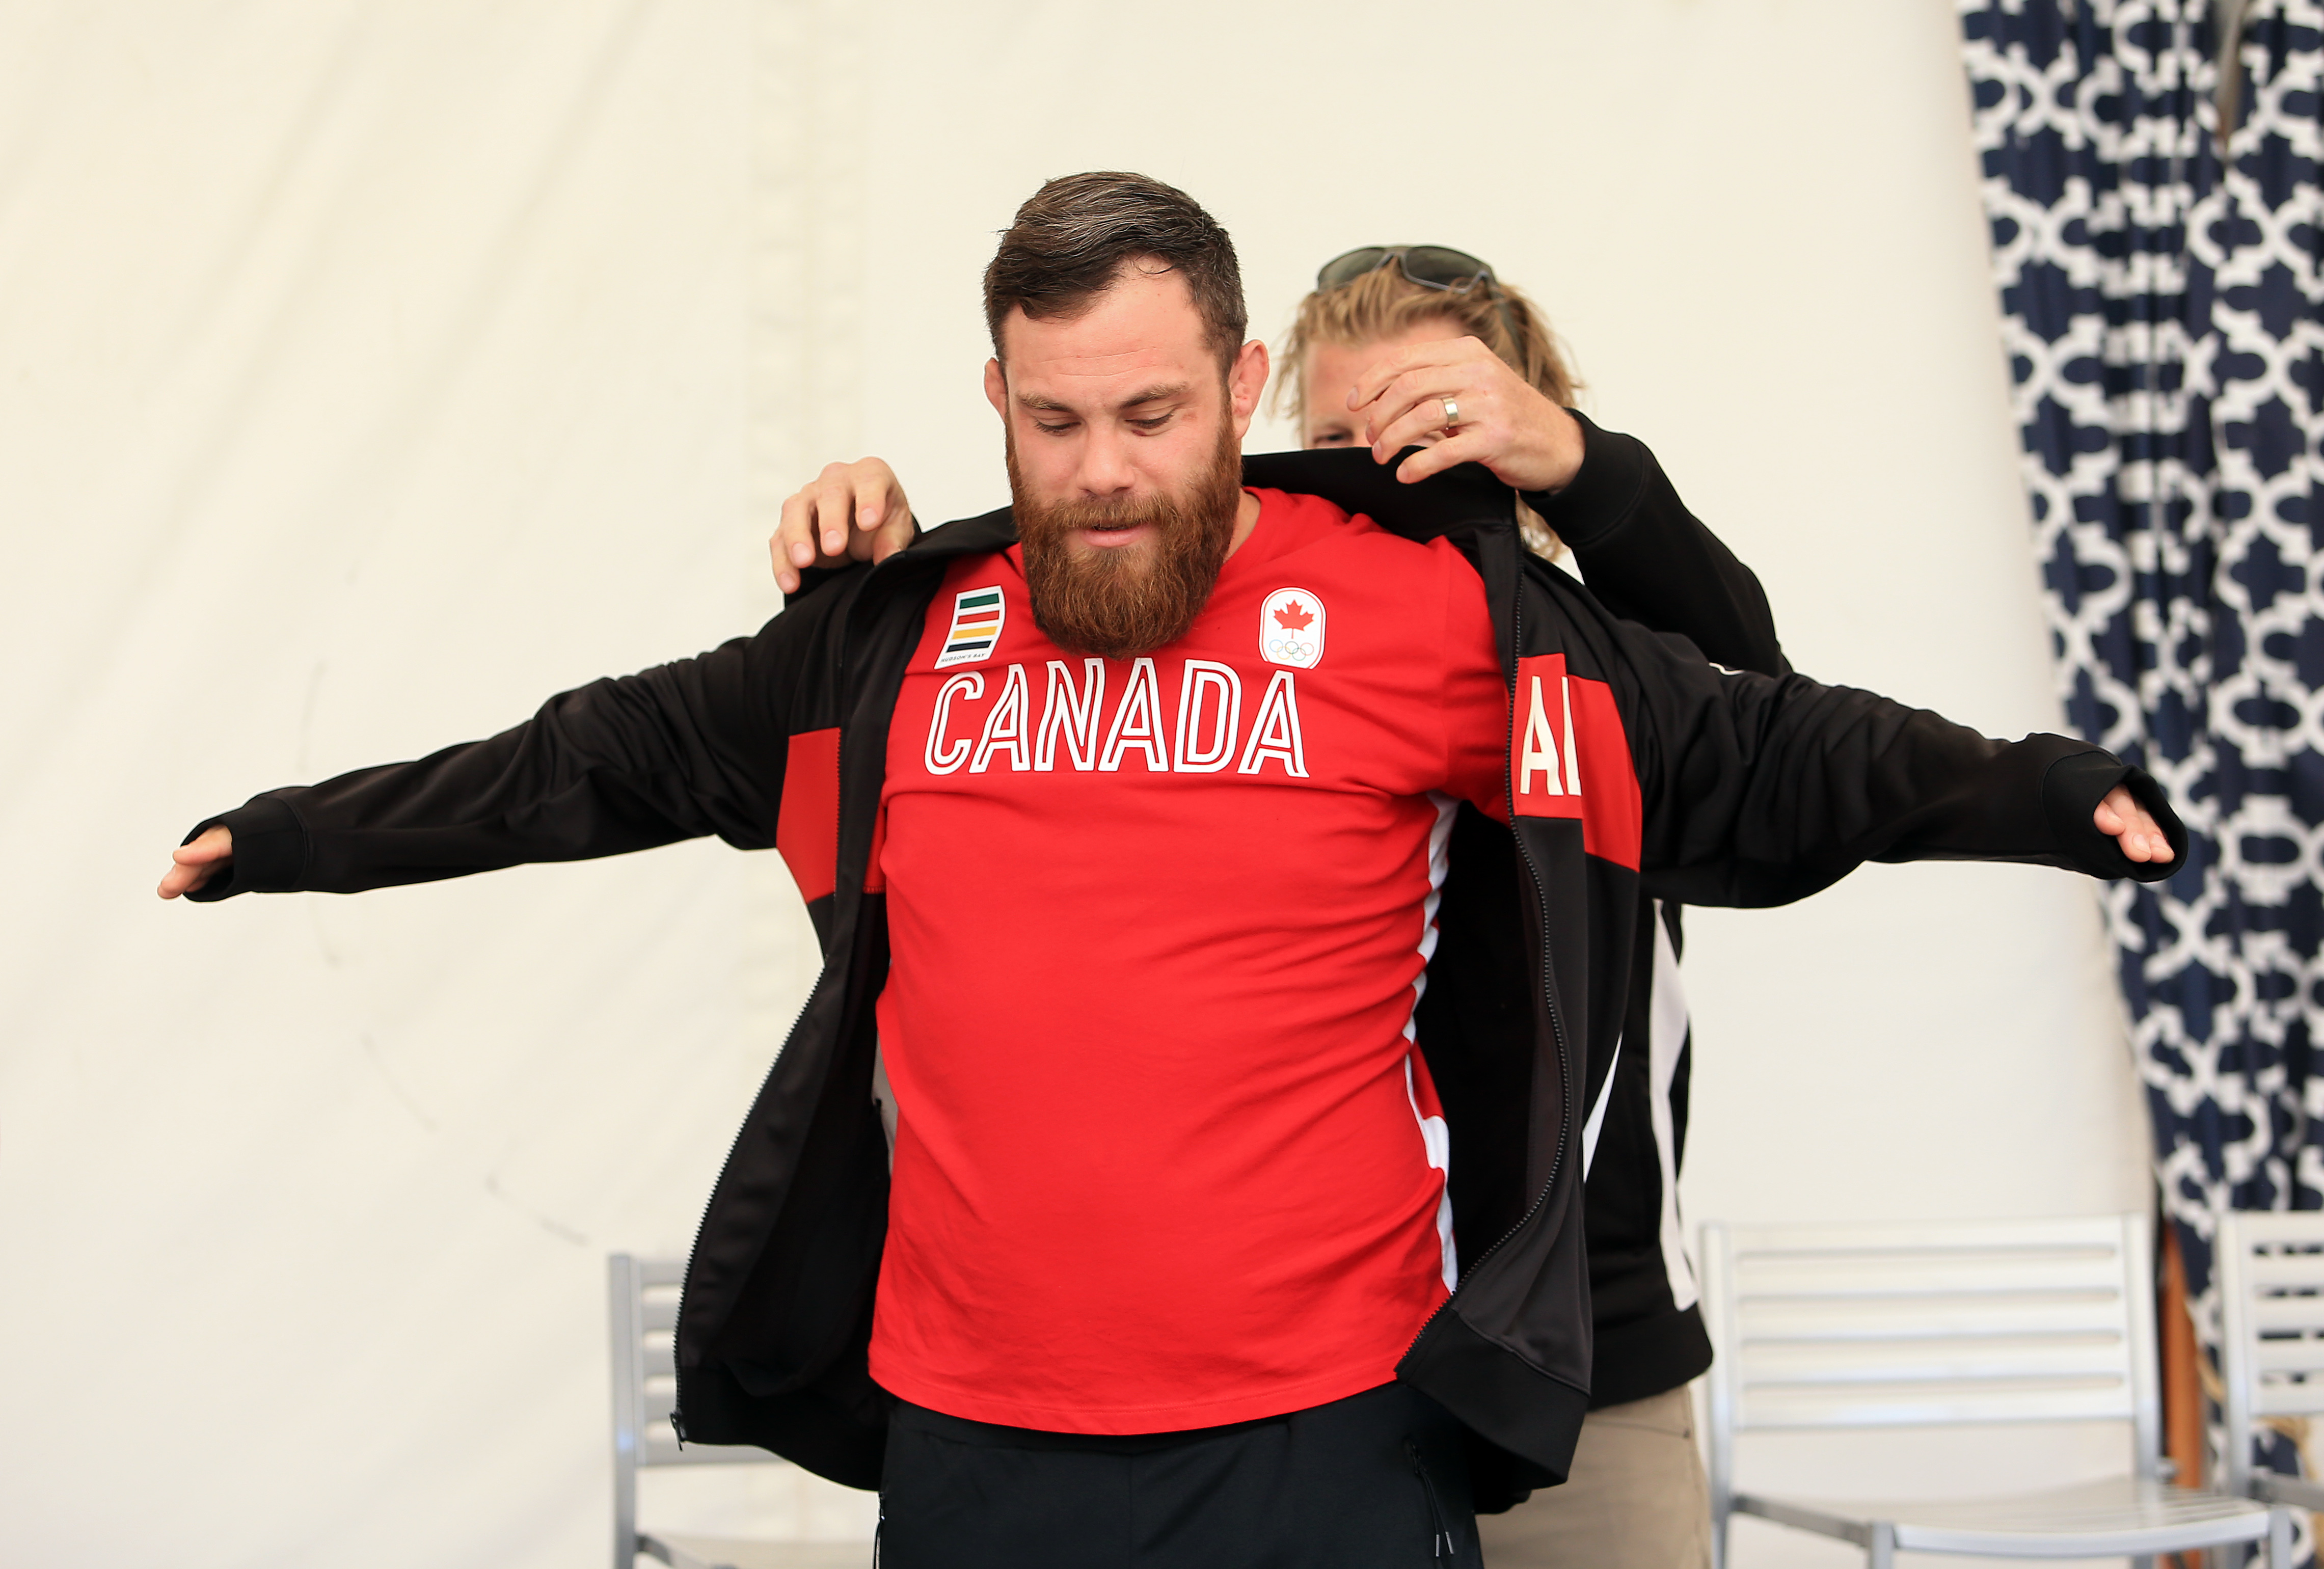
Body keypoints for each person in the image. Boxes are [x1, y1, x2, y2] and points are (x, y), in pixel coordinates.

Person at [162, 172, 2180, 1569]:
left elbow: (1751, 733)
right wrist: (292, 837)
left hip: (1339, 1427)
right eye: (1054, 422)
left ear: (1233, 389)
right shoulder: (892, 632)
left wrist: (2036, 786)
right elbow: (588, 759)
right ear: (993, 406)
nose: (1103, 465)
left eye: (1148, 410)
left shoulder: (1420, 601)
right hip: (980, 1436)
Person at [772, 247, 1790, 1567]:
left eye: (1434, 443)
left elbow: (1763, 744)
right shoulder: (1250, 676)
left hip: (1588, 1352)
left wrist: (1600, 476)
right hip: (1351, 1389)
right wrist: (871, 594)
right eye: (1336, 448)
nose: (1384, 487)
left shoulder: (1588, 692)